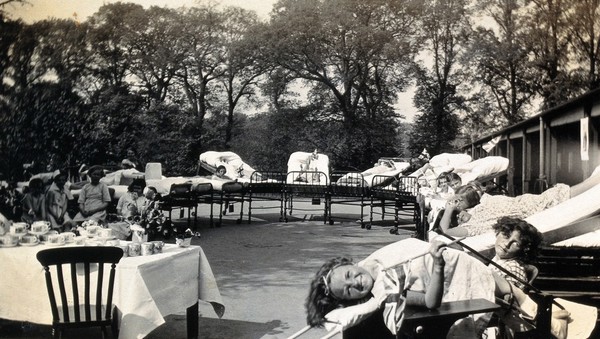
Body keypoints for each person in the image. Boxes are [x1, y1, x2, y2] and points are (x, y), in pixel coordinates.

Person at [306, 238, 570, 338]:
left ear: (350, 263)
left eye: (351, 275)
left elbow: (408, 246)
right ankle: (539, 314)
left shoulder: (374, 260)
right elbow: (427, 300)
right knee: (499, 294)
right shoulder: (385, 291)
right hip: (441, 274)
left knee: (496, 285)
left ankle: (539, 312)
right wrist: (436, 264)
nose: (356, 282)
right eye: (350, 290)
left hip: (452, 262)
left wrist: (432, 253)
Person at [439, 167, 600, 237]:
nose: (460, 217)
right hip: (530, 206)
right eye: (457, 218)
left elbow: (445, 229)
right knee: (569, 192)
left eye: (459, 213)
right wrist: (450, 209)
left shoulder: (481, 206)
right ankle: (595, 179)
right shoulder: (474, 224)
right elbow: (446, 231)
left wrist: (451, 207)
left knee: (571, 191)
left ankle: (595, 179)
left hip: (529, 203)